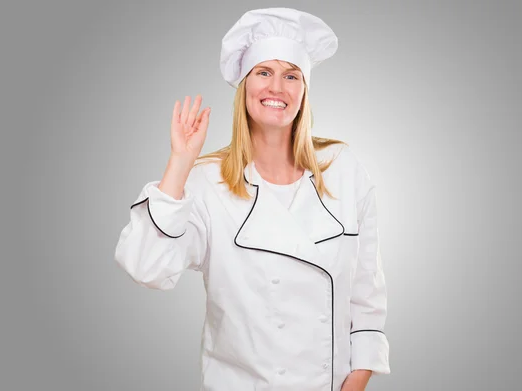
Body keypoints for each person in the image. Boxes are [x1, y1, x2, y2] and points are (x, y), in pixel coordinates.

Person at [114, 7, 390, 391]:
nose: (277, 88)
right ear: (244, 85)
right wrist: (180, 161)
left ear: (304, 91)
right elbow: (147, 268)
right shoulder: (207, 182)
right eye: (264, 72)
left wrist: (355, 383)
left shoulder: (344, 169)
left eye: (291, 75)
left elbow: (367, 299)